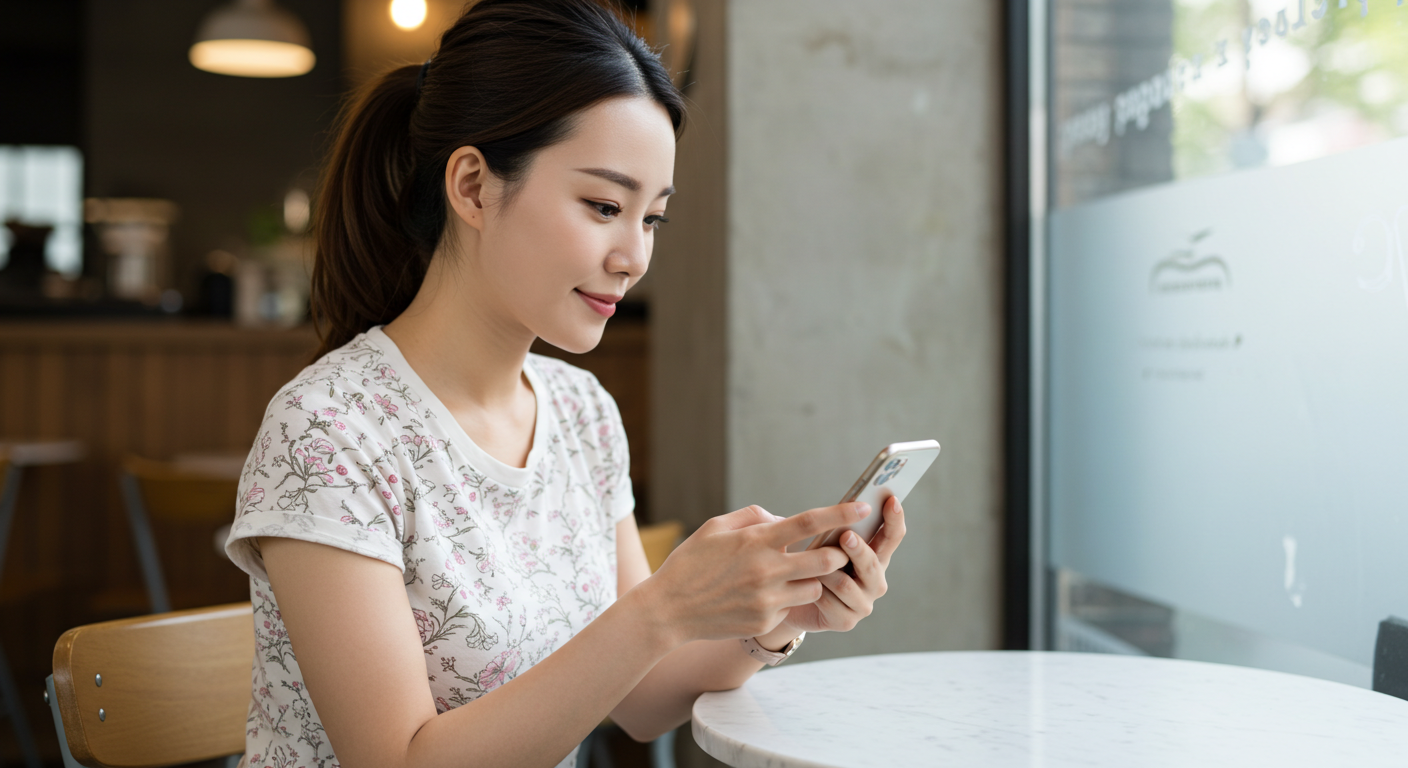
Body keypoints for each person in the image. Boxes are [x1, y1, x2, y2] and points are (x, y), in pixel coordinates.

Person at [223, 1, 907, 766]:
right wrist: (661, 609)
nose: (634, 256)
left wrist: (777, 618)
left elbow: (640, 702)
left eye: (653, 219)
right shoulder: (327, 432)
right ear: (475, 186)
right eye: (605, 206)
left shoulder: (581, 411)